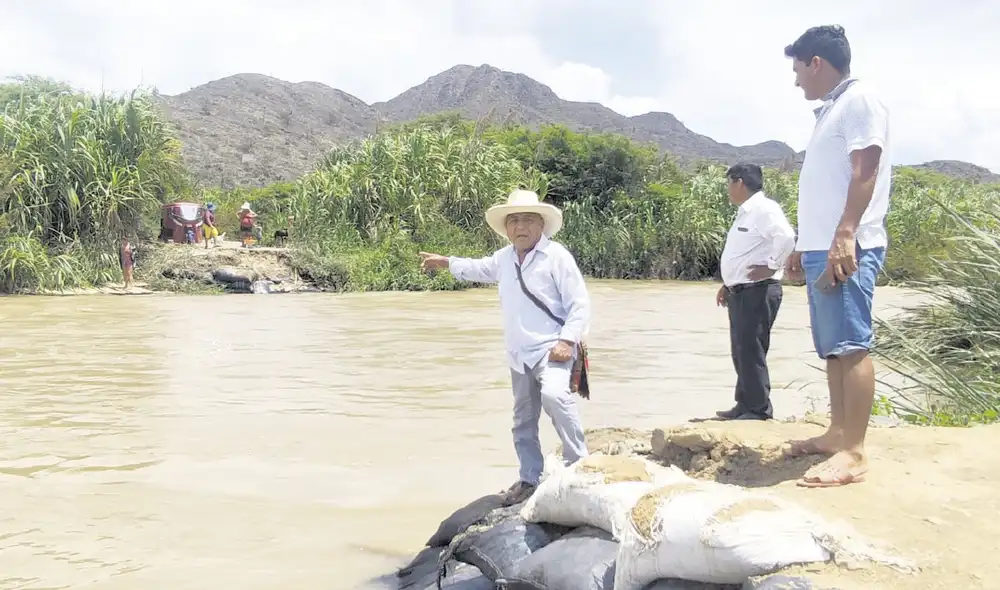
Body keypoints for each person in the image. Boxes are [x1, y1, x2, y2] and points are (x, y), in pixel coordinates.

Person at [419, 189, 591, 506]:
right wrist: (447, 263)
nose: (520, 227)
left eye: (527, 220)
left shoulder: (556, 256)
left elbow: (579, 304)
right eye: (514, 221)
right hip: (519, 353)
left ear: (541, 225)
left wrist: (567, 340)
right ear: (507, 228)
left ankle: (579, 466)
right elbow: (481, 268)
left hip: (552, 348)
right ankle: (529, 478)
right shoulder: (505, 258)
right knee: (522, 420)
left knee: (555, 396)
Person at [783, 25, 892, 487]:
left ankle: (854, 451)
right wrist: (801, 245)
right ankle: (836, 433)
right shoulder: (831, 110)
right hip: (820, 246)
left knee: (851, 345)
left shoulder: (859, 101)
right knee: (832, 348)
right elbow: (824, 188)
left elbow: (864, 169)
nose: (796, 82)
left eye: (797, 70)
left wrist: (846, 233)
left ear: (817, 64)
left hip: (847, 244)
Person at [714, 164, 796, 421]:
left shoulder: (764, 209)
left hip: (759, 290)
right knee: (740, 349)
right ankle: (745, 403)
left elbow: (786, 237)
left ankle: (759, 410)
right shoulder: (746, 213)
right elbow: (745, 253)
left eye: (729, 183)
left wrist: (772, 266)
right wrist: (728, 283)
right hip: (741, 290)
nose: (728, 189)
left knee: (752, 349)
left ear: (739, 182)